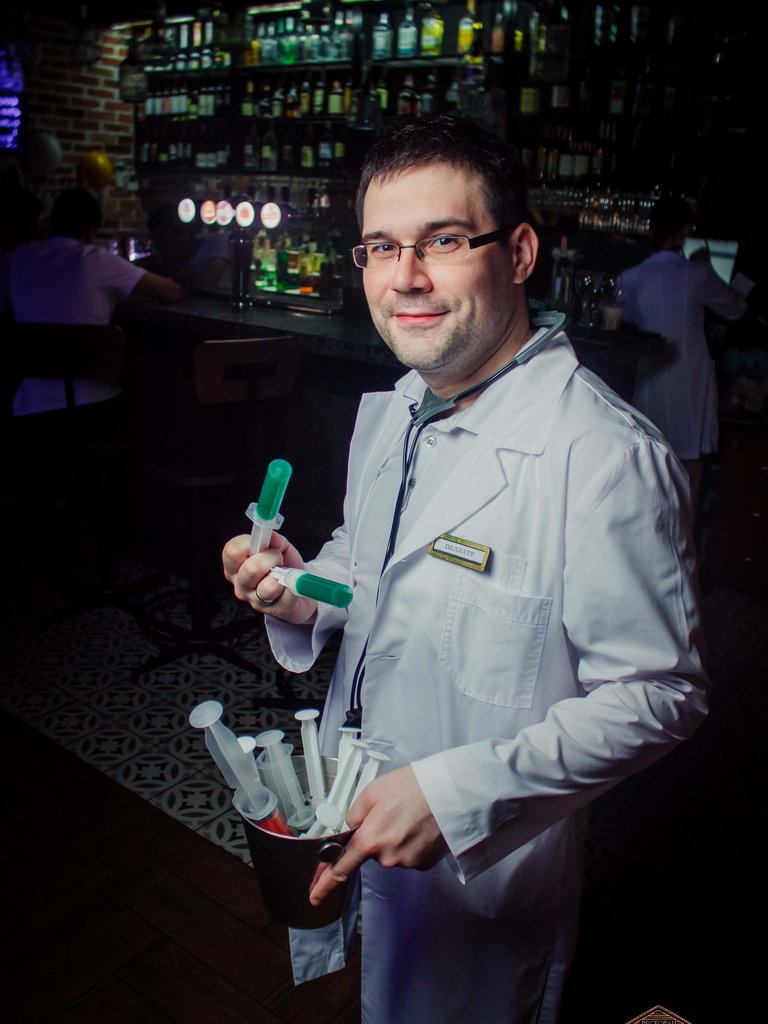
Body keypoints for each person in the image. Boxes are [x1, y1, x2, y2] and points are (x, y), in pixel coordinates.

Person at [222, 116, 709, 1024]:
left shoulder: (602, 456)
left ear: (518, 253)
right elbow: (368, 561)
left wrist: (456, 798)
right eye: (380, 246)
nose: (404, 276)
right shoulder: (401, 407)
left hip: (485, 866)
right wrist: (301, 588)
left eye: (442, 240)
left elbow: (660, 694)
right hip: (355, 798)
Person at [617, 196, 748, 516]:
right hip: (690, 382)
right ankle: (686, 540)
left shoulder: (630, 278)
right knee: (689, 473)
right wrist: (710, 267)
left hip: (649, 381)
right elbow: (737, 307)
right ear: (685, 230)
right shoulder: (697, 273)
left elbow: (626, 323)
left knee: (647, 468)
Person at [9, 186, 184, 417]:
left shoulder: (20, 256)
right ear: (92, 231)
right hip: (92, 403)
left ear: (52, 223)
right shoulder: (95, 259)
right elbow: (172, 292)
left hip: (27, 404)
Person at [136, 202, 231, 295]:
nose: (157, 245)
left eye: (162, 238)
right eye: (155, 238)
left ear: (185, 235)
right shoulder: (164, 256)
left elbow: (206, 284)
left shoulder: (217, 243)